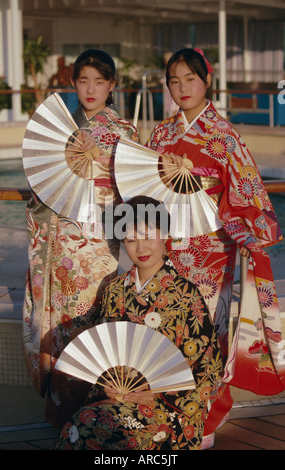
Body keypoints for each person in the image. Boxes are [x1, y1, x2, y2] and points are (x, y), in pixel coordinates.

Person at [146, 48, 285, 448]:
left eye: (189, 78)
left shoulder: (224, 136)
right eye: (174, 80)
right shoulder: (161, 134)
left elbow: (248, 192)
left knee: (208, 330)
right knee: (167, 324)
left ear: (206, 80)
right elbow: (145, 190)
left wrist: (246, 229)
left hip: (210, 249)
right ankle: (167, 412)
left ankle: (205, 416)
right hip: (168, 244)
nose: (181, 87)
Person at [22, 49, 138, 429]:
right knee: (57, 324)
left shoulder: (124, 132)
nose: (91, 89)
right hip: (57, 244)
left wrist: (99, 166)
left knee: (88, 319)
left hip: (96, 247)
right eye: (83, 80)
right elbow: (42, 185)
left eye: (99, 81)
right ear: (73, 84)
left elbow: (130, 190)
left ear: (112, 86)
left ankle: (89, 410)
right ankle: (60, 409)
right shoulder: (60, 129)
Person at [54, 195, 223, 450]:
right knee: (81, 425)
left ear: (165, 234)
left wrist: (159, 393)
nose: (141, 248)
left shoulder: (187, 295)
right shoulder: (114, 291)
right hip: (116, 399)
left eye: (148, 236)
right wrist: (108, 386)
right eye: (131, 240)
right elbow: (104, 351)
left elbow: (208, 364)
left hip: (167, 407)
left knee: (119, 433)